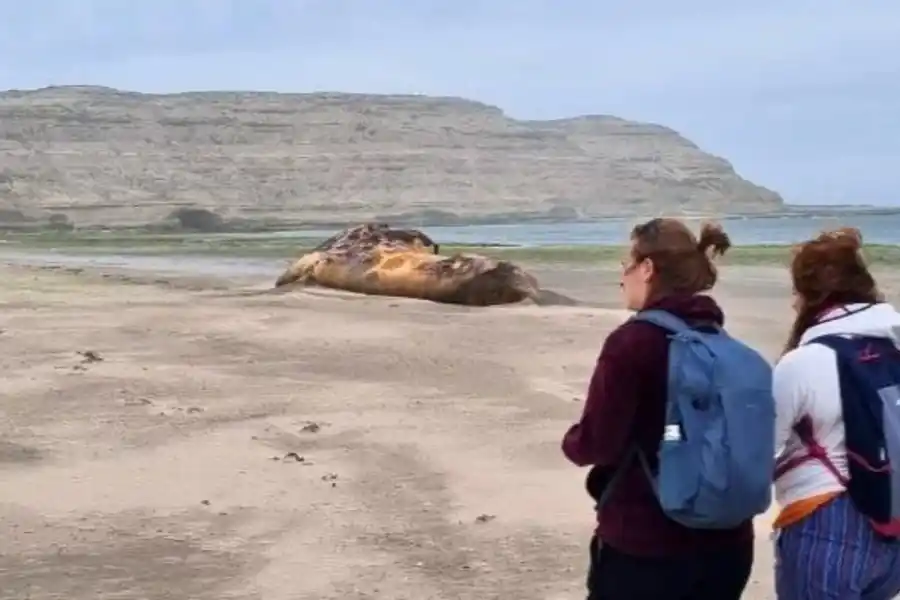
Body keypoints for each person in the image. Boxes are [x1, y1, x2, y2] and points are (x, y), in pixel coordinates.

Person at [562, 218, 757, 600]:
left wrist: (572, 442)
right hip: (729, 544)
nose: (622, 277)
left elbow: (599, 443)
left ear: (647, 268)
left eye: (626, 265)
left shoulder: (632, 342)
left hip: (647, 543)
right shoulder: (722, 342)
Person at [772, 227, 900, 600]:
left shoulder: (805, 361)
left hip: (826, 526)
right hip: (892, 522)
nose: (794, 304)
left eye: (796, 293)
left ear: (812, 296)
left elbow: (762, 451)